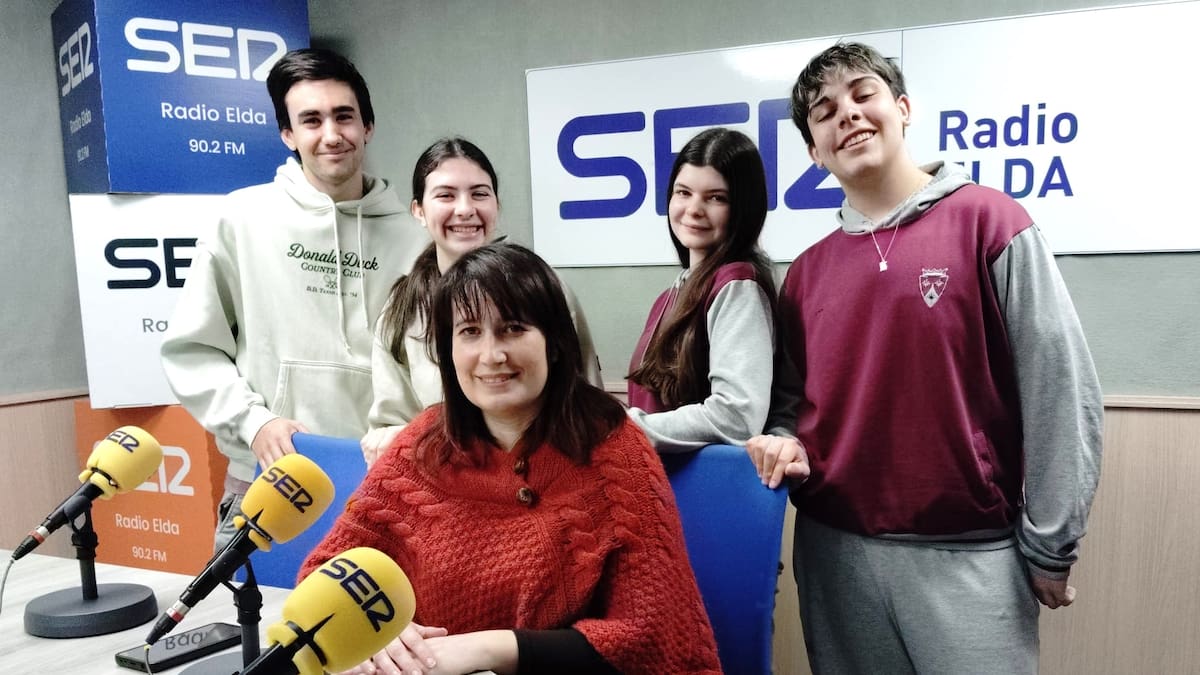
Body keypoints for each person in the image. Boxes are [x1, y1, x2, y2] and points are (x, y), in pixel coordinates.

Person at [747, 42, 1103, 674]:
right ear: (813, 150)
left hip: (972, 555)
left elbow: (1059, 385)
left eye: (863, 95)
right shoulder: (806, 273)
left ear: (902, 108)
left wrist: (1053, 543)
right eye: (825, 112)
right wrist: (781, 441)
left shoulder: (990, 222)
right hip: (835, 555)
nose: (848, 116)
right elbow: (788, 408)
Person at [301, 242, 721, 675]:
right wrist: (385, 633)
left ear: (554, 343)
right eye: (469, 332)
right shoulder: (421, 446)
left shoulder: (616, 451)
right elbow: (326, 575)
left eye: (513, 329)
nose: (491, 355)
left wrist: (491, 649)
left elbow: (649, 636)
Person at [160, 48, 428, 550]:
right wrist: (253, 420)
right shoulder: (241, 219)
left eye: (344, 116)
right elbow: (192, 350)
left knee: (391, 629)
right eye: (311, 119)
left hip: (386, 487)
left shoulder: (417, 240)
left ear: (367, 126)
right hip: (268, 481)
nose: (331, 134)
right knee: (251, 627)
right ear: (288, 134)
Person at [360, 137, 602, 465]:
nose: (465, 209)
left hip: (547, 481)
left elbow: (587, 402)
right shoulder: (402, 308)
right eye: (446, 195)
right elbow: (393, 426)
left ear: (496, 205)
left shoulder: (543, 287)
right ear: (418, 210)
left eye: (479, 193)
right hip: (447, 491)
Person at [626, 127, 779, 455]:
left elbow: (736, 417)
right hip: (657, 488)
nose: (694, 209)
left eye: (716, 197)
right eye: (683, 192)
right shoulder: (671, 296)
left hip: (700, 496)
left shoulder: (738, 287)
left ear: (743, 208)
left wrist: (625, 429)